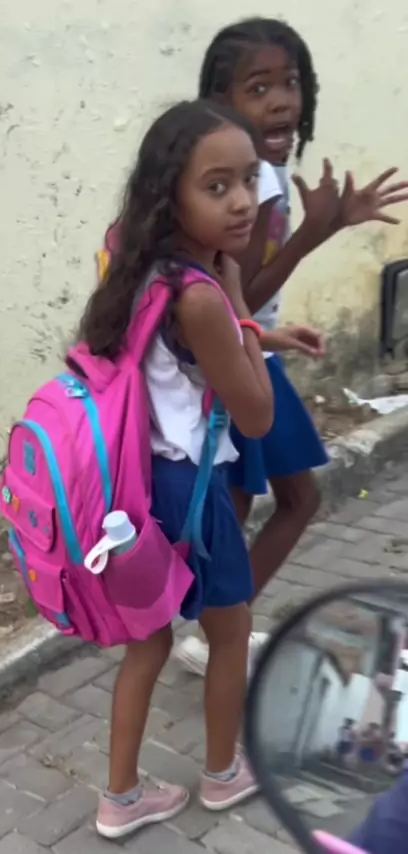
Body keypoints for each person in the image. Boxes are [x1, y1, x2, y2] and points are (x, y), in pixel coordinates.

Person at [80, 98, 325, 838]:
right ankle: (223, 775)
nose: (243, 201)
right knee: (230, 629)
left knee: (150, 640)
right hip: (191, 490)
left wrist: (267, 335)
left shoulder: (139, 263)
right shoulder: (205, 294)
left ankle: (120, 797)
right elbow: (255, 417)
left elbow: (181, 356)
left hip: (140, 481)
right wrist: (244, 306)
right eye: (217, 187)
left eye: (249, 179)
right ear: (172, 196)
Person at [176, 17, 408, 674]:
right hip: (243, 360)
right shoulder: (260, 186)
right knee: (281, 503)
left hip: (250, 354)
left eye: (291, 83)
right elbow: (238, 294)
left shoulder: (254, 175)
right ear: (221, 101)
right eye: (259, 88)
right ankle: (214, 632)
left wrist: (326, 226)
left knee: (261, 503)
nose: (281, 101)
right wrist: (314, 232)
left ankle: (214, 628)